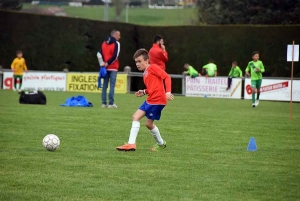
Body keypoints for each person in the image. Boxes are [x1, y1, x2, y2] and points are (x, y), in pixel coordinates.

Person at [116, 49, 174, 152]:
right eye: (136, 62)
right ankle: (135, 144)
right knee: (139, 119)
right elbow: (153, 87)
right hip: (151, 99)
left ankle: (135, 144)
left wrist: (168, 92)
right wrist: (143, 91)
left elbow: (166, 77)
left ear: (146, 61)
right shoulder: (145, 73)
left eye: (140, 61)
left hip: (157, 100)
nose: (137, 64)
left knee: (143, 121)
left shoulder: (153, 67)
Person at [99, 29, 121, 108]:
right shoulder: (116, 43)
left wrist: (102, 63)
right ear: (114, 35)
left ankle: (103, 103)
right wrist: (107, 63)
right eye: (118, 35)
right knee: (112, 85)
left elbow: (99, 53)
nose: (119, 37)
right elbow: (115, 56)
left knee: (105, 85)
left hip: (104, 67)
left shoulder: (104, 43)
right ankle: (111, 103)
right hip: (113, 67)